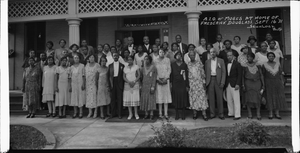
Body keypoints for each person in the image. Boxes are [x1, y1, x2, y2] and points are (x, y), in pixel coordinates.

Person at [262, 52, 286, 119]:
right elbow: (262, 75)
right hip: (268, 82)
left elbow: (280, 74)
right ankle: (270, 113)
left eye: (272, 56)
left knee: (277, 97)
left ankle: (277, 113)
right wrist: (263, 84)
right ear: (267, 57)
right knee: (270, 97)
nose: (271, 57)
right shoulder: (264, 65)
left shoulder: (278, 64)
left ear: (274, 57)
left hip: (277, 82)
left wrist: (282, 82)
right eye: (269, 56)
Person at [205, 48, 226, 120]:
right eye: (211, 52)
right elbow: (205, 72)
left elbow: (223, 72)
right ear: (209, 54)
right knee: (211, 98)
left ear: (216, 53)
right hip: (210, 80)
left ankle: (221, 114)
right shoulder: (207, 62)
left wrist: (223, 82)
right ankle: (212, 113)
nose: (212, 53)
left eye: (214, 52)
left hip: (218, 80)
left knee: (219, 97)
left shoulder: (221, 60)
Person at [242, 52, 264, 120]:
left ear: (253, 58)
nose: (249, 58)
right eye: (248, 57)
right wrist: (243, 84)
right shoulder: (244, 66)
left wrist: (263, 85)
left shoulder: (258, 65)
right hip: (248, 83)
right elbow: (242, 76)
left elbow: (261, 75)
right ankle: (249, 113)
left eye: (251, 57)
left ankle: (258, 113)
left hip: (257, 83)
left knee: (258, 98)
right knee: (248, 98)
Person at [187, 50, 208, 121]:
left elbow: (202, 73)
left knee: (202, 98)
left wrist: (204, 82)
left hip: (199, 83)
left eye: (193, 55)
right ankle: (194, 113)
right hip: (192, 84)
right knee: (193, 98)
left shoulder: (199, 63)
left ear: (195, 56)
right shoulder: (188, 64)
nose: (192, 56)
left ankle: (204, 114)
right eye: (191, 55)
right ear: (189, 56)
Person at [170, 52, 190, 120]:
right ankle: (177, 114)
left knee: (183, 98)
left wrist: (187, 85)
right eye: (177, 55)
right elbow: (171, 74)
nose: (178, 56)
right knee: (176, 98)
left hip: (183, 83)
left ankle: (183, 113)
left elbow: (186, 75)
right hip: (175, 83)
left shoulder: (184, 65)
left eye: (180, 55)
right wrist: (171, 84)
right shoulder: (172, 64)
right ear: (175, 57)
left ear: (181, 57)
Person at [154, 49, 172, 119]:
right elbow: (155, 70)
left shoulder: (167, 60)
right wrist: (158, 79)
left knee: (166, 97)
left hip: (165, 80)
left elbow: (169, 69)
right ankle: (160, 113)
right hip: (158, 81)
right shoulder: (155, 60)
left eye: (163, 52)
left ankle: (166, 113)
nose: (161, 53)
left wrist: (166, 78)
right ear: (158, 53)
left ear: (165, 53)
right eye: (160, 52)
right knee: (160, 96)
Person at [225, 50, 242, 120]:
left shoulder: (237, 64)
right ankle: (231, 113)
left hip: (235, 83)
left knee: (236, 100)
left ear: (233, 56)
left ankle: (237, 114)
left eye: (230, 55)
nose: (229, 57)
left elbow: (240, 75)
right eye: (228, 56)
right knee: (229, 99)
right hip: (227, 83)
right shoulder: (225, 63)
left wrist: (238, 84)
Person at [107, 52, 125, 119]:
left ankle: (120, 114)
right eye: (114, 56)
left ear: (119, 56)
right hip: (113, 82)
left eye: (117, 56)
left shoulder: (122, 65)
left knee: (119, 99)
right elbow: (108, 76)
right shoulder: (110, 65)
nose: (115, 57)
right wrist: (109, 85)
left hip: (119, 82)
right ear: (112, 57)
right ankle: (113, 113)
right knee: (113, 99)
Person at [123, 55, 141, 120]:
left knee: (135, 99)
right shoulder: (125, 67)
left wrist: (134, 81)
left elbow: (139, 75)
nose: (130, 61)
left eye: (131, 59)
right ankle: (130, 114)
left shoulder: (136, 66)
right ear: (127, 60)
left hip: (135, 84)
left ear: (133, 60)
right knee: (128, 99)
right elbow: (124, 77)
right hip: (127, 85)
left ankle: (136, 113)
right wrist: (128, 82)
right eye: (128, 60)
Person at [140, 55, 157, 120]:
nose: (146, 61)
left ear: (150, 60)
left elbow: (154, 77)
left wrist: (153, 86)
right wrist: (141, 85)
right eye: (145, 59)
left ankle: (151, 114)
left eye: (147, 59)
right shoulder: (142, 68)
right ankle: (146, 114)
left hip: (150, 86)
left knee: (151, 99)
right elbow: (141, 77)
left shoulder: (153, 68)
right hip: (144, 86)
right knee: (145, 99)